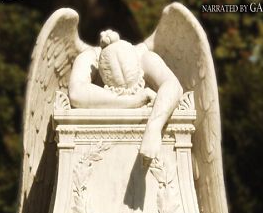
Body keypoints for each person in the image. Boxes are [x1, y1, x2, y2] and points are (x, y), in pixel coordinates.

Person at [68, 30, 183, 160]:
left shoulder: (144, 57)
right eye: (119, 92)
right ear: (107, 86)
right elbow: (76, 93)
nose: (130, 92)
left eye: (135, 88)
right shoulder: (89, 59)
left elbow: (173, 85)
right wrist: (134, 100)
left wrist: (154, 126)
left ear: (141, 72)